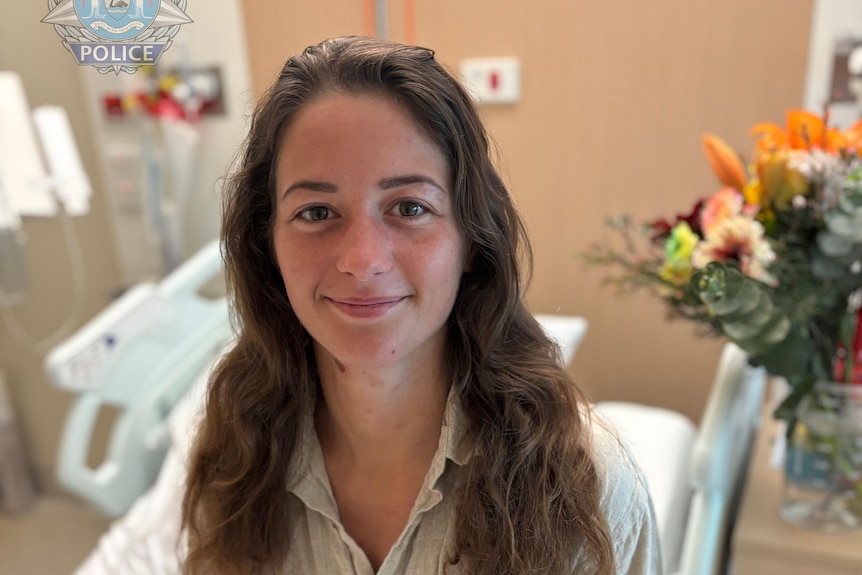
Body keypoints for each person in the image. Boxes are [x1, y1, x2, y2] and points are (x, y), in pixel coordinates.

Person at [178, 35, 661, 574]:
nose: (362, 260)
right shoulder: (234, 458)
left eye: (409, 207)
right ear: (266, 244)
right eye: (316, 212)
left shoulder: (585, 488)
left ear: (472, 241)